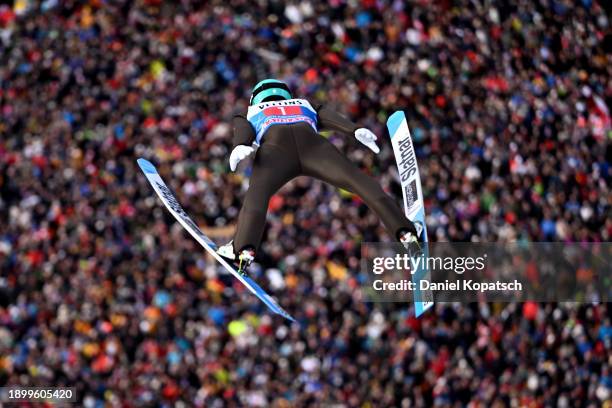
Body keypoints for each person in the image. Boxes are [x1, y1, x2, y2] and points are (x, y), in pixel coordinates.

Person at [217, 79, 419, 273]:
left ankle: (242, 249)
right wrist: (354, 130)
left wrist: (240, 145)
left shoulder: (250, 112)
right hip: (316, 149)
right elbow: (330, 117)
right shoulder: (304, 103)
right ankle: (405, 232)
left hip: (275, 152)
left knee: (256, 198)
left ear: (256, 98)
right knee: (361, 183)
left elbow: (243, 129)